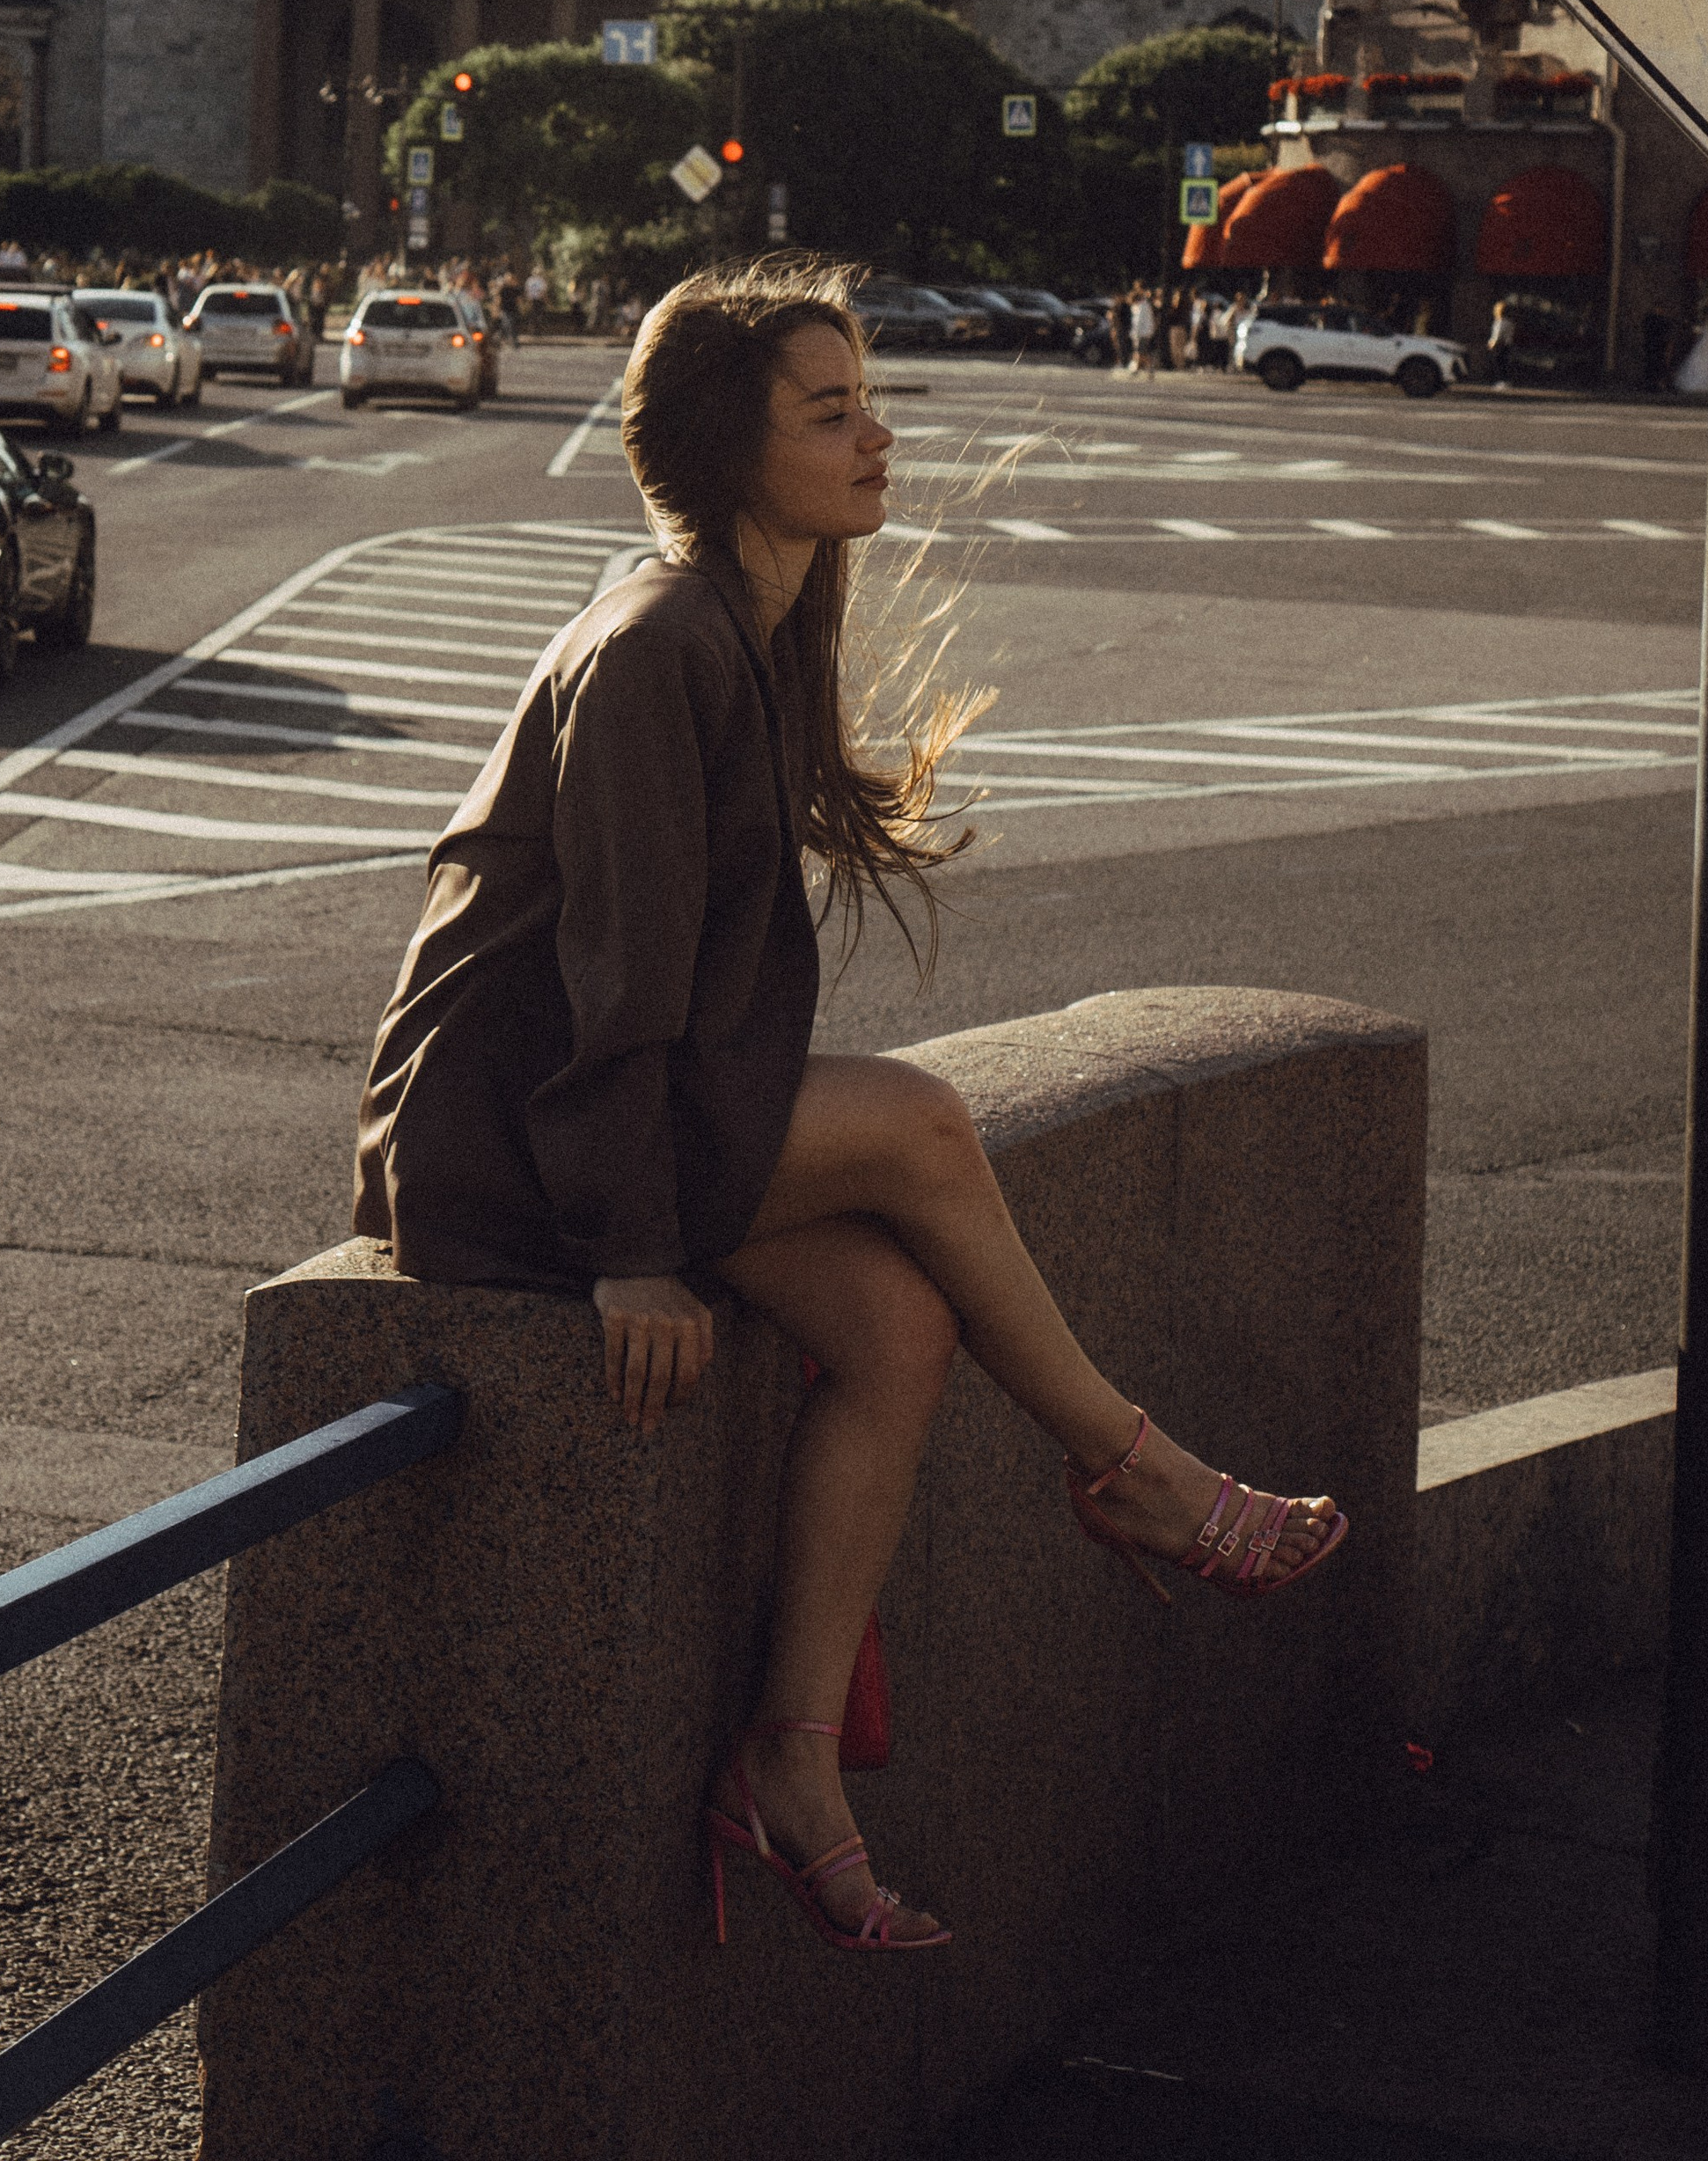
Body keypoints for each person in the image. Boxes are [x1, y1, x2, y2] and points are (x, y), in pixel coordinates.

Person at [351, 261, 1348, 1957]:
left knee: (896, 1327)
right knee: (923, 1129)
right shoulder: (662, 643)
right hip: (508, 1139)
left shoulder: (753, 621)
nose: (880, 436)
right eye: (833, 413)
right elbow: (619, 982)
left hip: (608, 1113)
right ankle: (1146, 1477)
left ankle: (788, 1768)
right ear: (737, 454)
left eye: (868, 401)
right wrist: (635, 1258)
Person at [1487, 297, 1519, 389]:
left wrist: (1492, 344)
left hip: (1500, 345)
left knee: (1499, 363)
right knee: (1505, 363)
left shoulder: (1500, 322)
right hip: (1508, 344)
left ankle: (1501, 382)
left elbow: (1497, 335)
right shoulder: (1510, 322)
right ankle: (1506, 382)